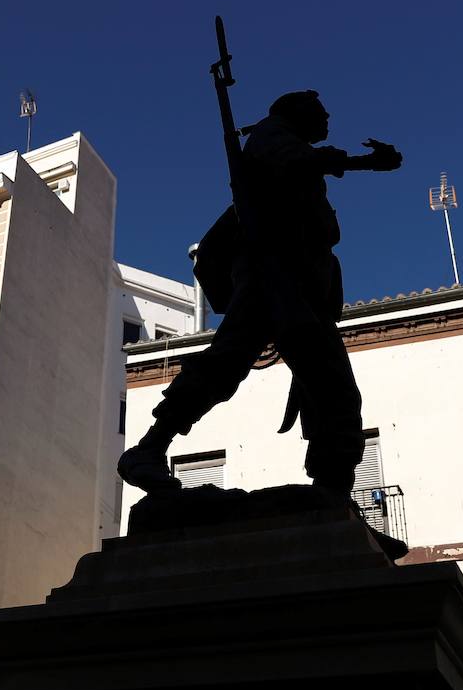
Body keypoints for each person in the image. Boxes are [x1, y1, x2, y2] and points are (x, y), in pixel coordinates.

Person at [118, 90, 402, 516]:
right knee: (309, 380)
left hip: (299, 284)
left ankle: (335, 497)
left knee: (300, 379)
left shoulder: (285, 142)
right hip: (274, 275)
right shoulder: (274, 135)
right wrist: (360, 162)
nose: (327, 120)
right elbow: (294, 162)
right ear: (296, 113)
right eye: (320, 113)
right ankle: (149, 449)